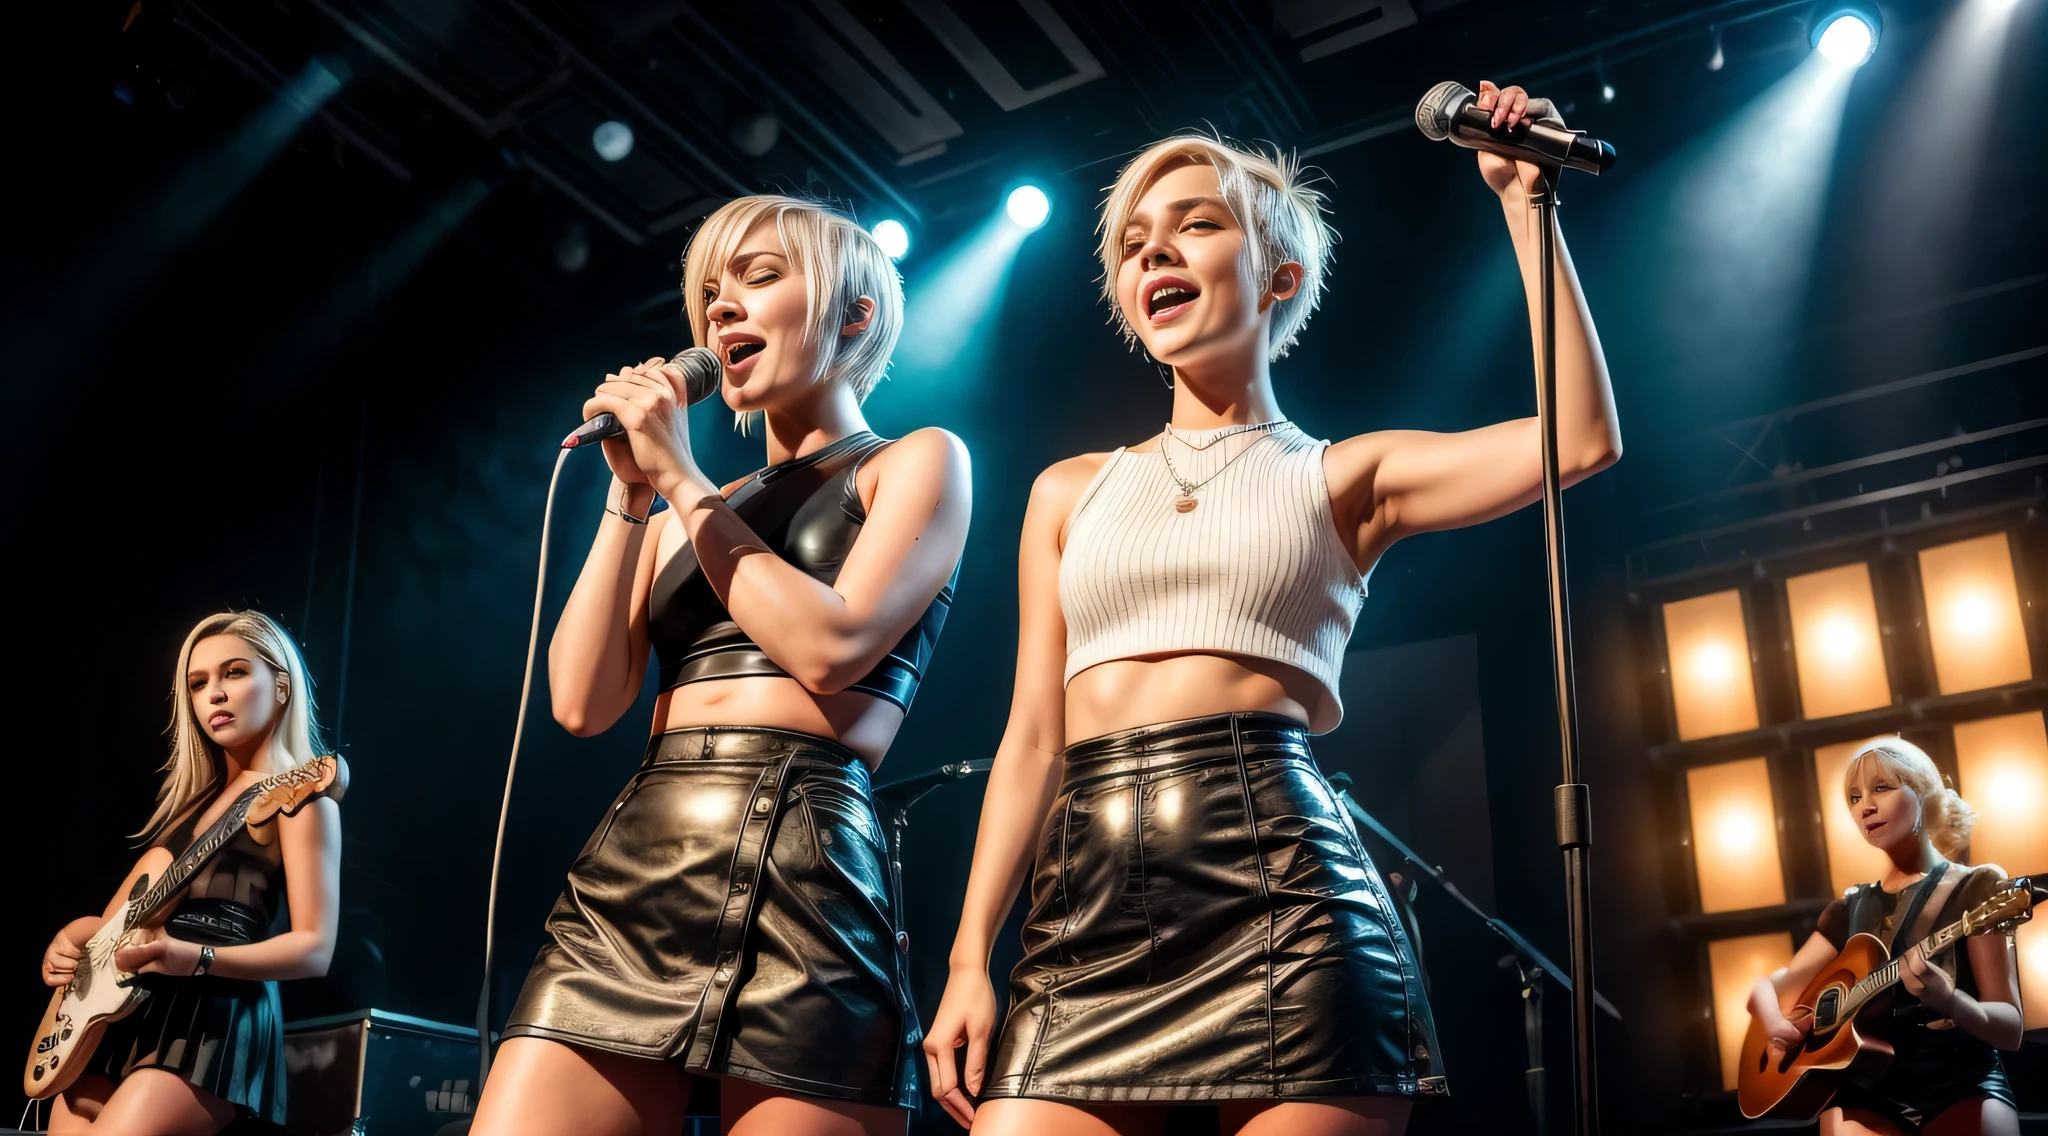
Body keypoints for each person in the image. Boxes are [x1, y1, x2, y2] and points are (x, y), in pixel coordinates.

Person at [923, 82, 1620, 1136]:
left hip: (1283, 903)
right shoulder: (1067, 489)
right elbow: (1031, 736)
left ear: (1277, 276)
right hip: (1084, 916)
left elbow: (1575, 439)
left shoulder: (1346, 474)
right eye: (1134, 243)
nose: (1154, 253)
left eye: (1194, 226)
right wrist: (970, 953)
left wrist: (1525, 207)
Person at [469, 194, 972, 1136]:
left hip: (806, 855)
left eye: (760, 276)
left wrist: (680, 482)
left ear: (853, 314)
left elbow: (832, 648)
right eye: (710, 291)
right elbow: (582, 703)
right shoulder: (675, 512)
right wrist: (631, 498)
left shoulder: (918, 462)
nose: (723, 308)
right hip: (643, 857)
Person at [41, 610, 343, 1135]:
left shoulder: (301, 798)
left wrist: (195, 957)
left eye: (234, 673)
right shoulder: (183, 816)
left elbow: (315, 948)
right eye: (198, 683)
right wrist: (70, 938)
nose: (214, 695)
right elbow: (114, 930)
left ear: (281, 685)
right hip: (119, 1016)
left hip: (212, 1019)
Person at [1746, 738, 2022, 1136]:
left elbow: (2010, 1028)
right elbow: (1767, 989)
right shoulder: (1848, 909)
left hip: (1962, 1085)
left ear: (1923, 793)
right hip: (1864, 1091)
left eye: (1881, 788)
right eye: (1854, 797)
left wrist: (1950, 1001)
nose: (1865, 807)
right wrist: (1775, 1023)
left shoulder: (1978, 888)